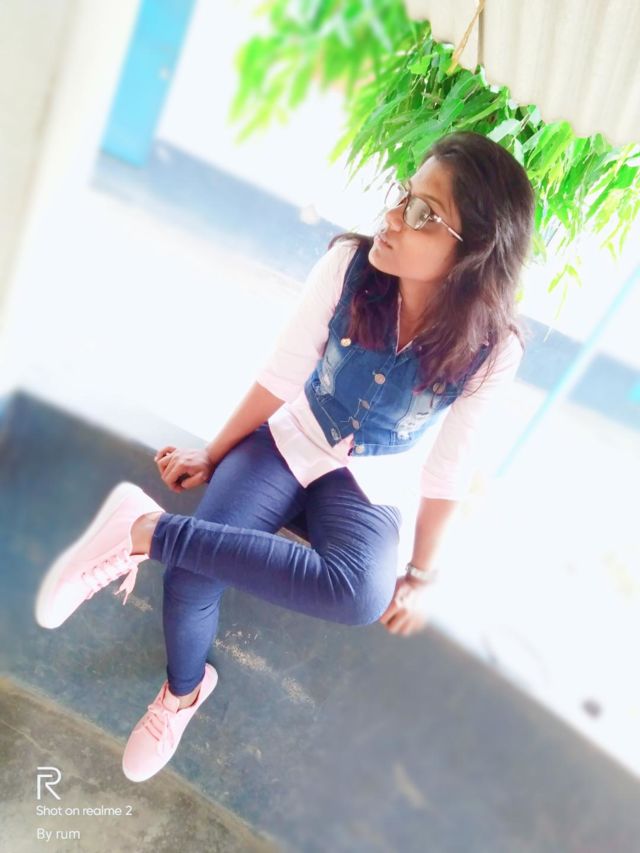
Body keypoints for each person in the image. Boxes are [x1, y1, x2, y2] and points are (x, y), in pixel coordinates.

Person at [34, 131, 535, 783]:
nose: (392, 216)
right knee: (191, 575)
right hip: (291, 437)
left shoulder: (493, 349)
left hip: (370, 483)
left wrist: (421, 574)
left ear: (474, 254)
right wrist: (213, 454)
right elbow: (281, 375)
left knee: (361, 593)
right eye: (403, 194)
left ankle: (144, 530)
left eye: (422, 213)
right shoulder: (349, 266)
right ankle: (182, 692)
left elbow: (447, 471)